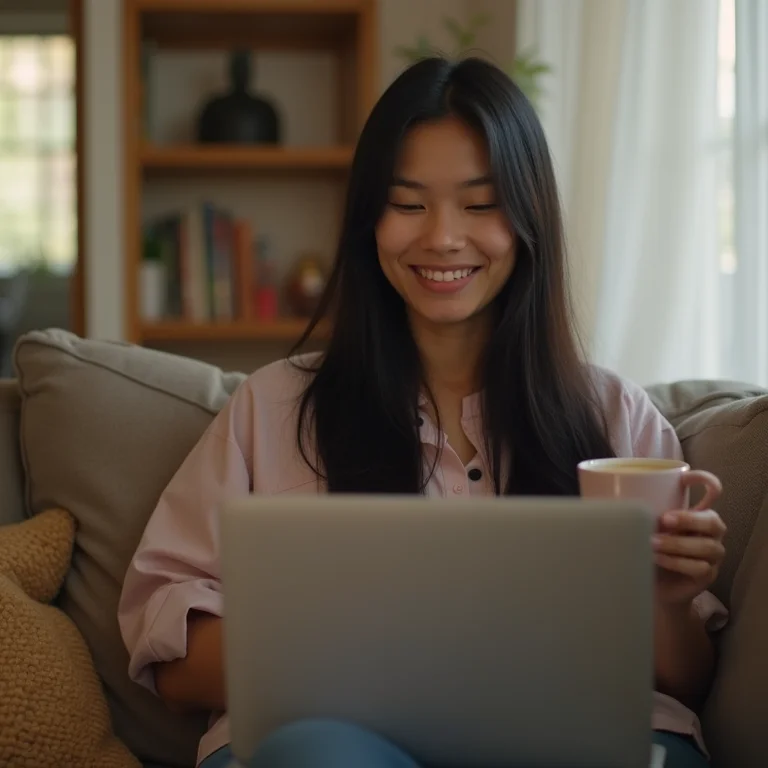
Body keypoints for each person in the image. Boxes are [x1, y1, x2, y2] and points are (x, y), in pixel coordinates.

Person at [118, 57, 728, 768]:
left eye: (479, 204)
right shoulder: (272, 408)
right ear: (368, 220)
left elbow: (685, 678)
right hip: (334, 737)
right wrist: (347, 654)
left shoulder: (615, 415)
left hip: (567, 738)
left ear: (529, 215)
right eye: (408, 204)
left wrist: (672, 599)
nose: (441, 237)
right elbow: (166, 645)